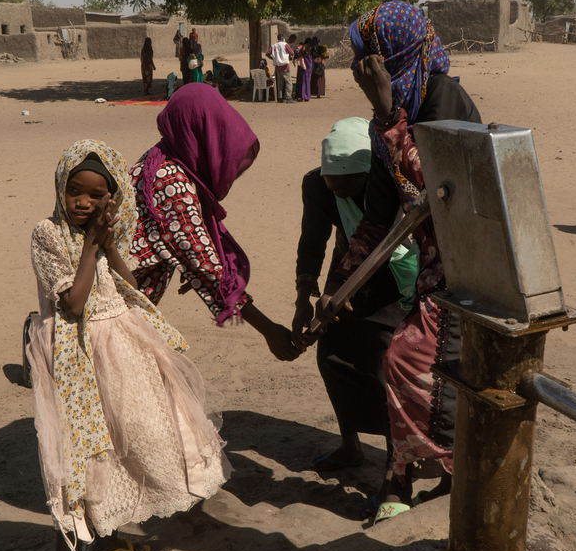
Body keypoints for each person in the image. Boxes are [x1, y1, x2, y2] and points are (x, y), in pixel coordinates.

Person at [27, 139, 230, 551]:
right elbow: (73, 303)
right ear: (61, 189)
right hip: (76, 359)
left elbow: (128, 282)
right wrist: (92, 245)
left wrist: (110, 243)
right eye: (75, 191)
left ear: (111, 199)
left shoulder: (105, 230)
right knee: (76, 467)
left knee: (132, 442)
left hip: (122, 351)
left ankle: (110, 531)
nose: (83, 203)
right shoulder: (47, 234)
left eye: (97, 196)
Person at [316, 1, 481, 522]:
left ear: (395, 56)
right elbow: (378, 218)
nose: (362, 71)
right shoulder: (387, 118)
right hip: (435, 265)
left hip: (471, 261)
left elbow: (437, 191)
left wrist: (389, 116)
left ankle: (446, 468)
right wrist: (339, 285)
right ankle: (405, 471)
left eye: (370, 60)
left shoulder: (442, 100)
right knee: (390, 354)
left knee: (408, 357)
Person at [129, 83, 301, 361]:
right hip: (114, 313)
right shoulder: (172, 182)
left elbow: (171, 241)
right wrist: (269, 330)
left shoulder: (155, 159)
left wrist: (183, 260)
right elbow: (210, 271)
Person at [293, 117, 415, 472]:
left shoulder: (391, 184)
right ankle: (350, 446)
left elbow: (381, 242)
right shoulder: (317, 186)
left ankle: (398, 461)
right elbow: (313, 239)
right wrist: (304, 297)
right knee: (332, 355)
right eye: (334, 188)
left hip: (397, 270)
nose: (340, 195)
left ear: (368, 175)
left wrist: (336, 291)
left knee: (384, 363)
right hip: (347, 266)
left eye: (349, 188)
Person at [269, 34, 296, 103]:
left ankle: (280, 98)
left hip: (277, 67)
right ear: (282, 38)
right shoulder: (285, 45)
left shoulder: (274, 45)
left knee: (280, 83)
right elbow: (292, 52)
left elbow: (267, 53)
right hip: (285, 66)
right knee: (288, 82)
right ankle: (288, 98)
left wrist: (274, 59)